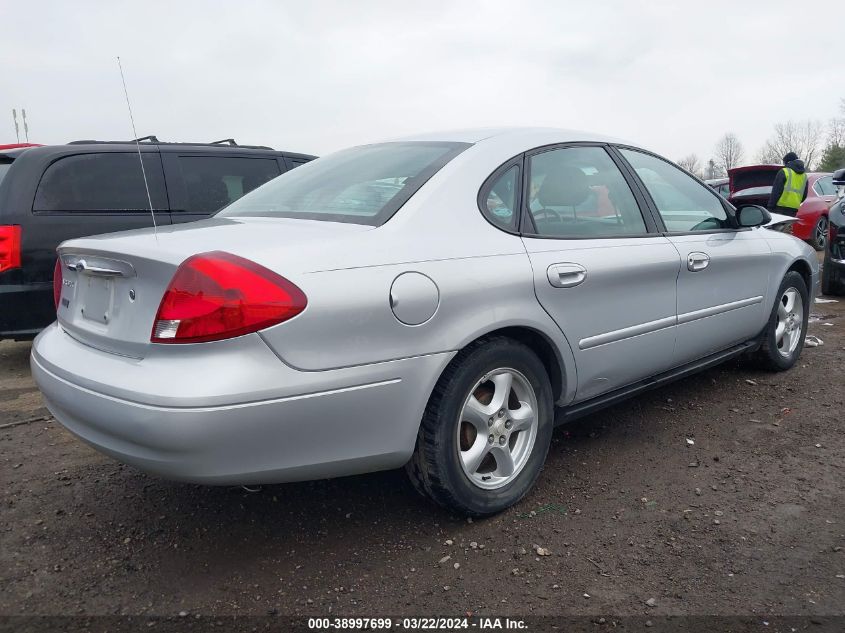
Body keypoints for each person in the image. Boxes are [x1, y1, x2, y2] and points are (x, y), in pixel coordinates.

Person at [767, 152, 808, 217]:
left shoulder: (784, 171)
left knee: (778, 226)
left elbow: (776, 192)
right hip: (794, 208)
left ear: (788, 162)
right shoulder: (804, 176)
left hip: (780, 207)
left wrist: (770, 207)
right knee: (788, 226)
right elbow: (804, 195)